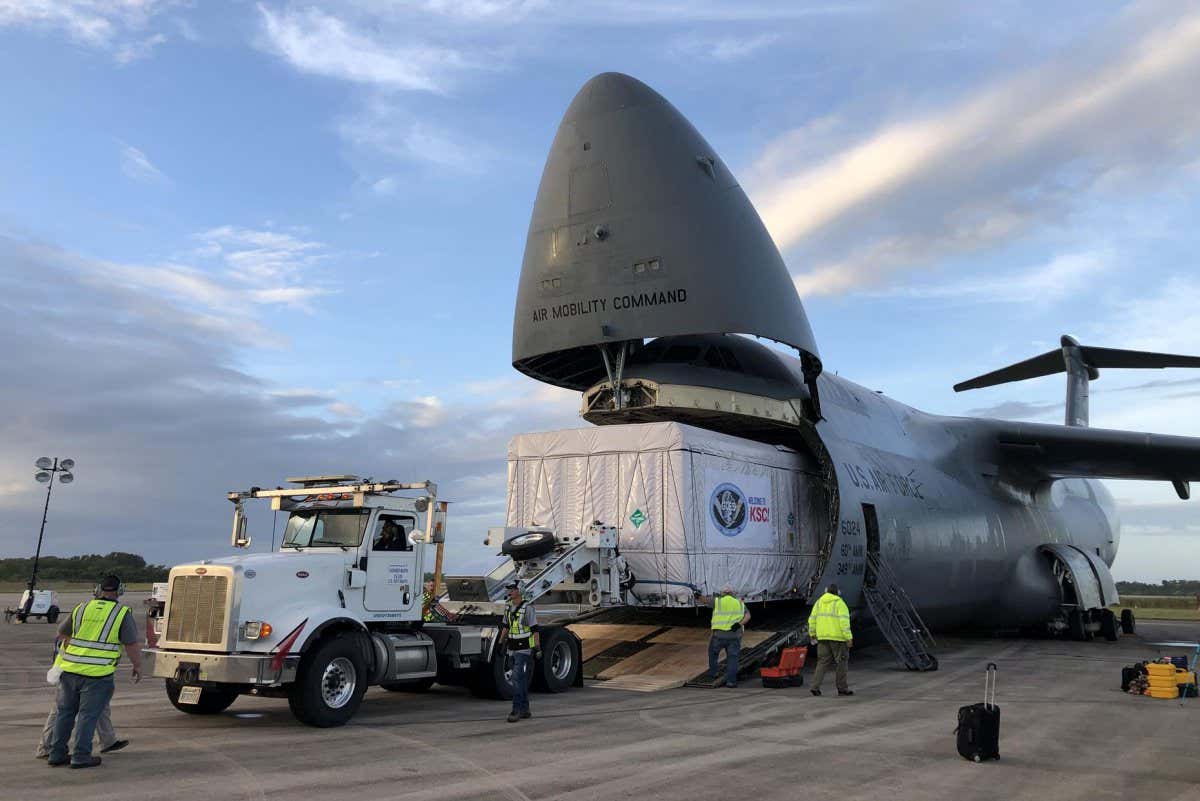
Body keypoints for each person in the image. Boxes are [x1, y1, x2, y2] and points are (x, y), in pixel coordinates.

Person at [46, 575, 143, 768]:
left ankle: (56, 754)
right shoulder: (121, 613)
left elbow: (62, 633)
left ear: (98, 589)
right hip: (97, 675)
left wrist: (79, 650)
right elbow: (131, 644)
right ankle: (81, 756)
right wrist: (137, 666)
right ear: (120, 590)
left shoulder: (81, 608)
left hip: (70, 669)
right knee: (87, 716)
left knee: (65, 713)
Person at [36, 640, 127, 759]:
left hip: (89, 669)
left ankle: (107, 739)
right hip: (73, 669)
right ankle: (46, 747)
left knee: (99, 706)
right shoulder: (79, 624)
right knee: (60, 710)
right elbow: (64, 639)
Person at [499, 583, 538, 723]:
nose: (510, 592)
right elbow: (506, 627)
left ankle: (516, 710)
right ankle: (525, 709)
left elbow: (534, 631)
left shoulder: (528, 609)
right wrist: (500, 643)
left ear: (520, 591)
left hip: (524, 650)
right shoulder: (508, 607)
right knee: (519, 680)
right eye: (509, 590)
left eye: (513, 589)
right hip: (512, 649)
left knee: (516, 678)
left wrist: (536, 648)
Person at [808, 582, 853, 697]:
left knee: (822, 663)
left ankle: (815, 687)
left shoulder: (818, 603)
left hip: (822, 638)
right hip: (838, 639)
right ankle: (842, 688)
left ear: (826, 591)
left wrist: (812, 634)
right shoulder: (839, 603)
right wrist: (848, 638)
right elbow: (844, 622)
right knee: (841, 663)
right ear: (838, 593)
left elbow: (812, 620)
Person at [705, 584, 750, 688]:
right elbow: (748, 616)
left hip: (719, 635)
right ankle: (731, 682)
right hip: (734, 636)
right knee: (732, 659)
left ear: (723, 593)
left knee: (712, 653)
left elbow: (705, 601)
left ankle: (714, 673)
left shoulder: (718, 601)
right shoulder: (739, 603)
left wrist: (697, 595)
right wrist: (739, 624)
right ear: (732, 593)